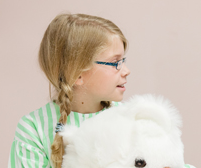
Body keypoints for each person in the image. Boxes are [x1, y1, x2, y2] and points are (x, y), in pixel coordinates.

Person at [8, 13, 131, 168]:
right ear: (77, 74)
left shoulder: (130, 118)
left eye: (123, 60)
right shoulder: (33, 128)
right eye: (115, 62)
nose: (126, 70)